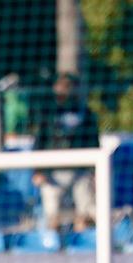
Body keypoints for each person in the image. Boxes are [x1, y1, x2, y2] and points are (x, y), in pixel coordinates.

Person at [30, 72, 100, 230]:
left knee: (85, 213)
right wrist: (38, 170)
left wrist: (94, 172)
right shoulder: (47, 113)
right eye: (61, 86)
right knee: (52, 215)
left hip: (80, 171)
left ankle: (82, 239)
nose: (64, 90)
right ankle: (54, 241)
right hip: (53, 172)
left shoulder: (86, 114)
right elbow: (40, 141)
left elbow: (93, 143)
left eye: (68, 86)